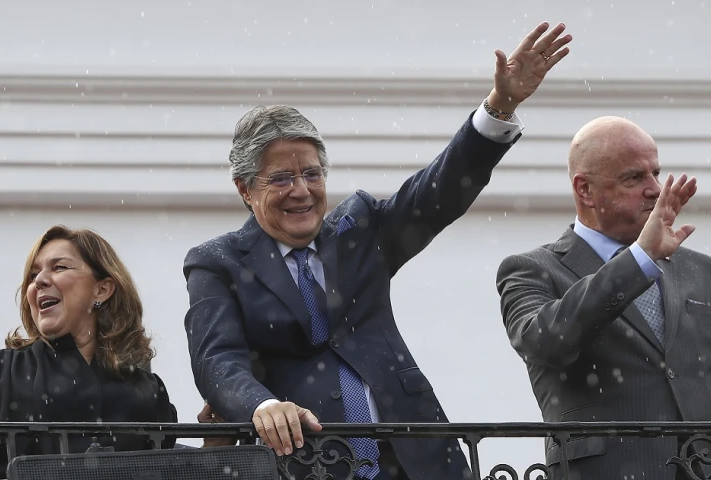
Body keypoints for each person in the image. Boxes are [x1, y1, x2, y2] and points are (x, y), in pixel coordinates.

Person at [183, 21, 572, 480]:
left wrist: (500, 106)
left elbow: (437, 191)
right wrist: (263, 406)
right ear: (245, 190)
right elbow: (217, 361)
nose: (301, 192)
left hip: (417, 460)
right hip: (305, 464)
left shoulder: (360, 230)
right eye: (281, 179)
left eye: (311, 174)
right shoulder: (217, 262)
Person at [496, 116, 710, 479]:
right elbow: (547, 343)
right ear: (585, 190)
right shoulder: (530, 269)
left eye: (656, 173)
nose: (655, 189)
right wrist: (639, 259)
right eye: (634, 177)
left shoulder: (700, 269)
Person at [0, 225, 179, 480]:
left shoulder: (147, 389)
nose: (39, 281)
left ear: (102, 289)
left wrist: (215, 443)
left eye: (59, 267)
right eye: (33, 275)